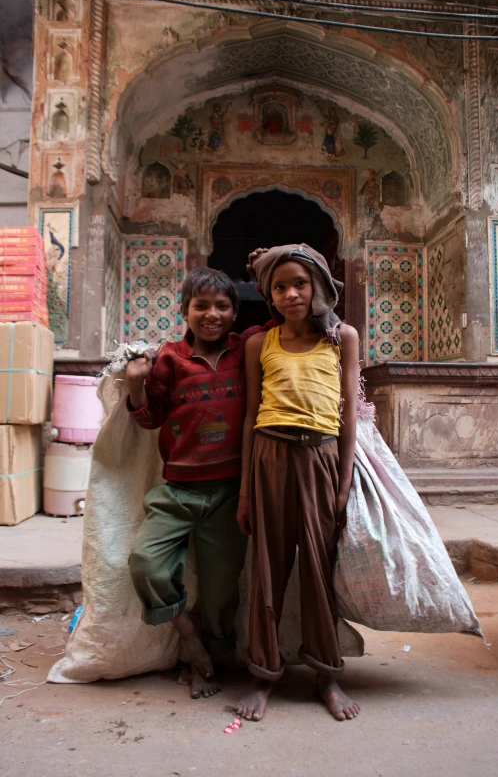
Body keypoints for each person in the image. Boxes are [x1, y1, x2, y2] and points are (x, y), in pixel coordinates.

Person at [125, 267, 267, 700]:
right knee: (145, 561)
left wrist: (266, 267)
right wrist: (135, 387)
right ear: (184, 310)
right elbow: (150, 420)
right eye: (200, 305)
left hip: (230, 493)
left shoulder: (248, 349)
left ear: (236, 312)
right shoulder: (169, 358)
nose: (211, 314)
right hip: (178, 489)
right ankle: (186, 634)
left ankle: (207, 656)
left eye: (222, 306)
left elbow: (296, 307)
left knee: (222, 587)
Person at [234, 244, 361, 722]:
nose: (291, 294)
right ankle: (264, 676)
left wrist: (344, 481)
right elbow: (250, 416)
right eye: (280, 286)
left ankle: (327, 675)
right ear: (269, 294)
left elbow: (348, 414)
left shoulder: (341, 338)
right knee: (267, 570)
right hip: (268, 457)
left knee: (318, 570)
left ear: (320, 288)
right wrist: (246, 489)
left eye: (300, 284)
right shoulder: (257, 344)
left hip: (321, 460)